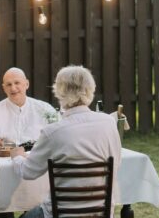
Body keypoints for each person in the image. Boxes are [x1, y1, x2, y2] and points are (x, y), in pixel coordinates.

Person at [10, 65, 121, 218]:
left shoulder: (53, 132)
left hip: (60, 214)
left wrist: (16, 156)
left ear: (60, 91)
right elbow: (116, 163)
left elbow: (28, 172)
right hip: (101, 212)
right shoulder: (109, 122)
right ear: (90, 89)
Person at [0, 67, 56, 146]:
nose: (13, 88)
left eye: (17, 83)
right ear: (4, 88)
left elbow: (56, 136)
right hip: (4, 157)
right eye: (9, 84)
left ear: (27, 84)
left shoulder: (45, 109)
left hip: (37, 157)